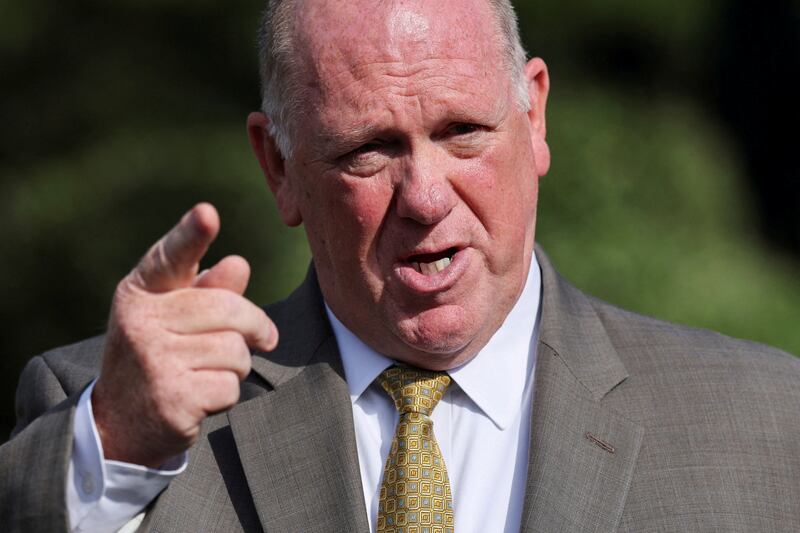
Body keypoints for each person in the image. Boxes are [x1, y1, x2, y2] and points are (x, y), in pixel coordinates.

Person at [2, 0, 799, 531]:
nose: (424, 196)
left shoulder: (767, 424)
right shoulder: (129, 427)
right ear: (279, 166)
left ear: (535, 113)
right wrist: (115, 439)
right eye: (369, 149)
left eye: (461, 132)